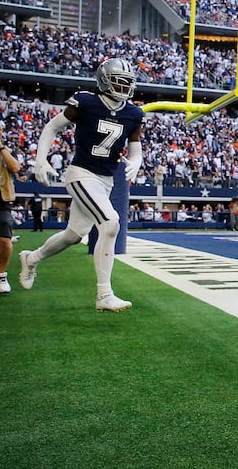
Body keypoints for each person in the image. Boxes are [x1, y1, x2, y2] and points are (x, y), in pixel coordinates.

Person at [18, 58, 144, 312]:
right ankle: (104, 294)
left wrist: (136, 161)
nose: (124, 87)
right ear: (105, 81)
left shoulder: (133, 113)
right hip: (81, 173)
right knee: (110, 222)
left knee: (73, 235)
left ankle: (31, 258)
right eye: (119, 81)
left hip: (106, 180)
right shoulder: (86, 102)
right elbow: (52, 127)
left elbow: (136, 149)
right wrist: (40, 159)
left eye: (128, 83)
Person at [0, 119, 21, 294]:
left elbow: (15, 168)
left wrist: (0, 147)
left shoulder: (7, 150)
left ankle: (1, 274)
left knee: (4, 239)